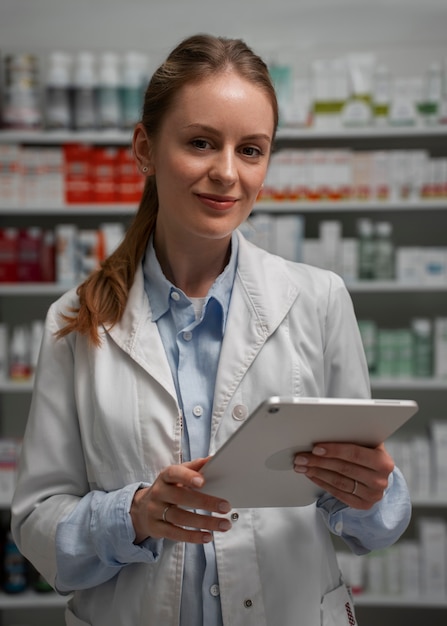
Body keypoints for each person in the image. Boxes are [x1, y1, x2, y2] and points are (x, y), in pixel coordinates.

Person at [11, 34, 411, 626]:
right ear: (145, 148)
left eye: (251, 150)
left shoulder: (319, 300)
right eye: (201, 143)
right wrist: (136, 516)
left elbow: (374, 527)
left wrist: (373, 492)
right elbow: (38, 527)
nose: (227, 173)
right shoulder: (77, 322)